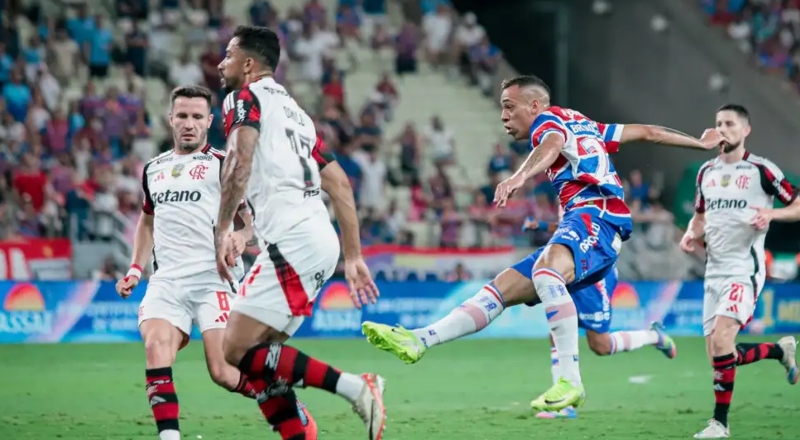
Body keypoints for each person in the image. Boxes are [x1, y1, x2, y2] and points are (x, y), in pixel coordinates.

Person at [361, 74, 721, 412]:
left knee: (549, 274)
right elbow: (648, 132)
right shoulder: (585, 123)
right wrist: (699, 142)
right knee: (502, 291)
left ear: (534, 106)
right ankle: (420, 340)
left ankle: (569, 380)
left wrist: (517, 177)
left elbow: (552, 144)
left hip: (597, 217)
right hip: (582, 225)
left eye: (509, 106)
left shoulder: (546, 124)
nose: (503, 115)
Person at [213, 26, 386, 440]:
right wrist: (353, 255)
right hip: (317, 239)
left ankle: (357, 387)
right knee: (261, 358)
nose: (221, 63)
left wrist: (223, 228)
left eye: (229, 55)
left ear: (249, 65)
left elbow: (239, 159)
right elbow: (340, 183)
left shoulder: (243, 98)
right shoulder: (297, 114)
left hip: (292, 241)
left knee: (234, 350)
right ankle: (300, 435)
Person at [114, 85, 311, 440]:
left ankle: (282, 401)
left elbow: (250, 221)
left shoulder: (223, 164)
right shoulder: (153, 169)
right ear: (170, 119)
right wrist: (134, 268)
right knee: (155, 346)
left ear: (209, 122)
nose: (189, 124)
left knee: (222, 371)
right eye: (182, 116)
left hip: (214, 279)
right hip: (167, 281)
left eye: (196, 117)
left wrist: (242, 236)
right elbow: (147, 220)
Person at [679, 104, 799, 439]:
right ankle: (779, 351)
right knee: (720, 354)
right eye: (718, 123)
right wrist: (691, 233)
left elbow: (797, 203)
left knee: (721, 341)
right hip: (713, 272)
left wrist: (771, 215)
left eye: (730, 124)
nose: (722, 129)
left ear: (745, 130)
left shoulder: (762, 170)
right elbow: (700, 217)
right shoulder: (706, 173)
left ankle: (720, 423)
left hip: (744, 269)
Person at [521, 216, 677, 419]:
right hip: (571, 266)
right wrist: (541, 226)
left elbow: (593, 228)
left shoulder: (591, 191)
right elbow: (567, 226)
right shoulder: (567, 191)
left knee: (600, 345)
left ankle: (653, 336)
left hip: (593, 272)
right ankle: (565, 402)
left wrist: (542, 225)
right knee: (556, 330)